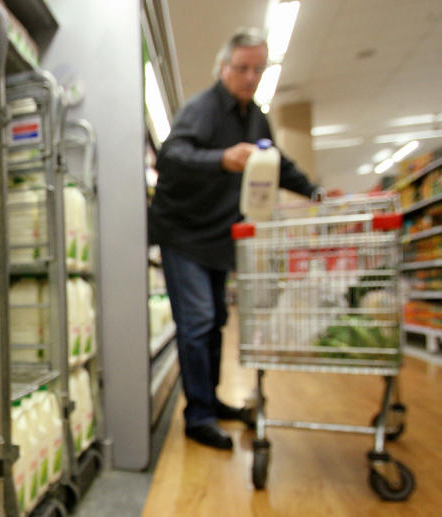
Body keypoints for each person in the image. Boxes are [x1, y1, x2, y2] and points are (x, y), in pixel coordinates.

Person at [148, 28, 342, 450]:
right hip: (183, 233)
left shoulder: (254, 117)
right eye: (242, 68)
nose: (250, 77)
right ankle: (197, 416)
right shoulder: (202, 109)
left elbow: (279, 164)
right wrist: (221, 158)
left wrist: (316, 193)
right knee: (197, 322)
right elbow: (170, 156)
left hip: (218, 238)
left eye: (258, 68)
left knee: (216, 321)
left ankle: (210, 401)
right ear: (223, 68)